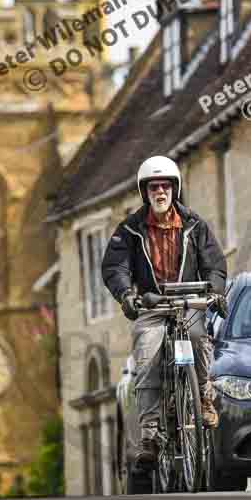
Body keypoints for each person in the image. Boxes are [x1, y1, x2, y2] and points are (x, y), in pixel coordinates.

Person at [101, 155, 228, 465]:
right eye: (154, 187)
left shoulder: (195, 225)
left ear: (175, 189)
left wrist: (214, 290)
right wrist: (127, 295)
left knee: (199, 339)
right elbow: (114, 266)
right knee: (146, 357)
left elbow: (214, 264)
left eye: (166, 186)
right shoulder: (129, 229)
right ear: (145, 192)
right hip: (152, 306)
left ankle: (203, 399)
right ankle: (151, 433)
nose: (160, 192)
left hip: (189, 304)